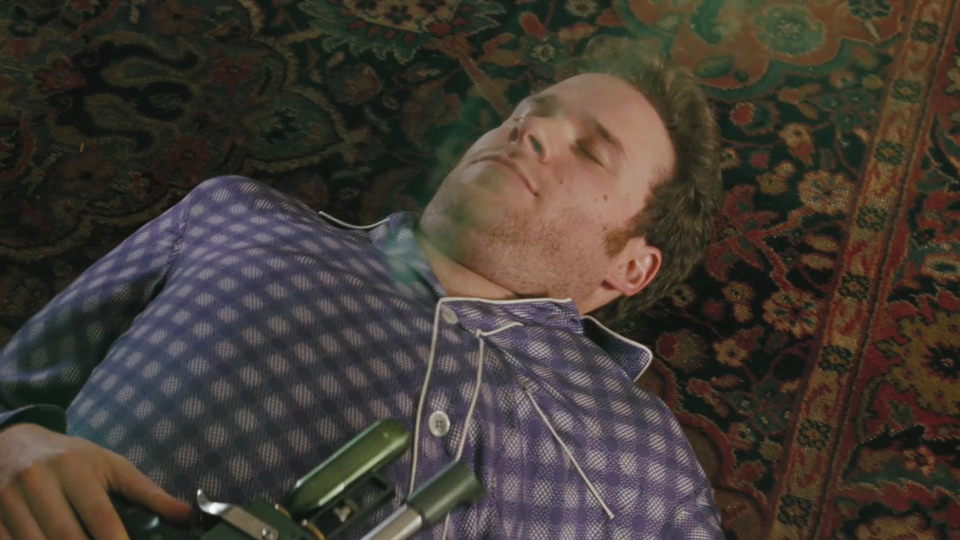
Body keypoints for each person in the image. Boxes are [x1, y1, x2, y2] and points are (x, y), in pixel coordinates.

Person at [0, 46, 724, 539]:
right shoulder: (234, 213)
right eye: (527, 112)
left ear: (631, 267)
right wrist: (11, 444)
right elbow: (13, 388)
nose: (529, 130)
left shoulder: (653, 463)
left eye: (591, 150)